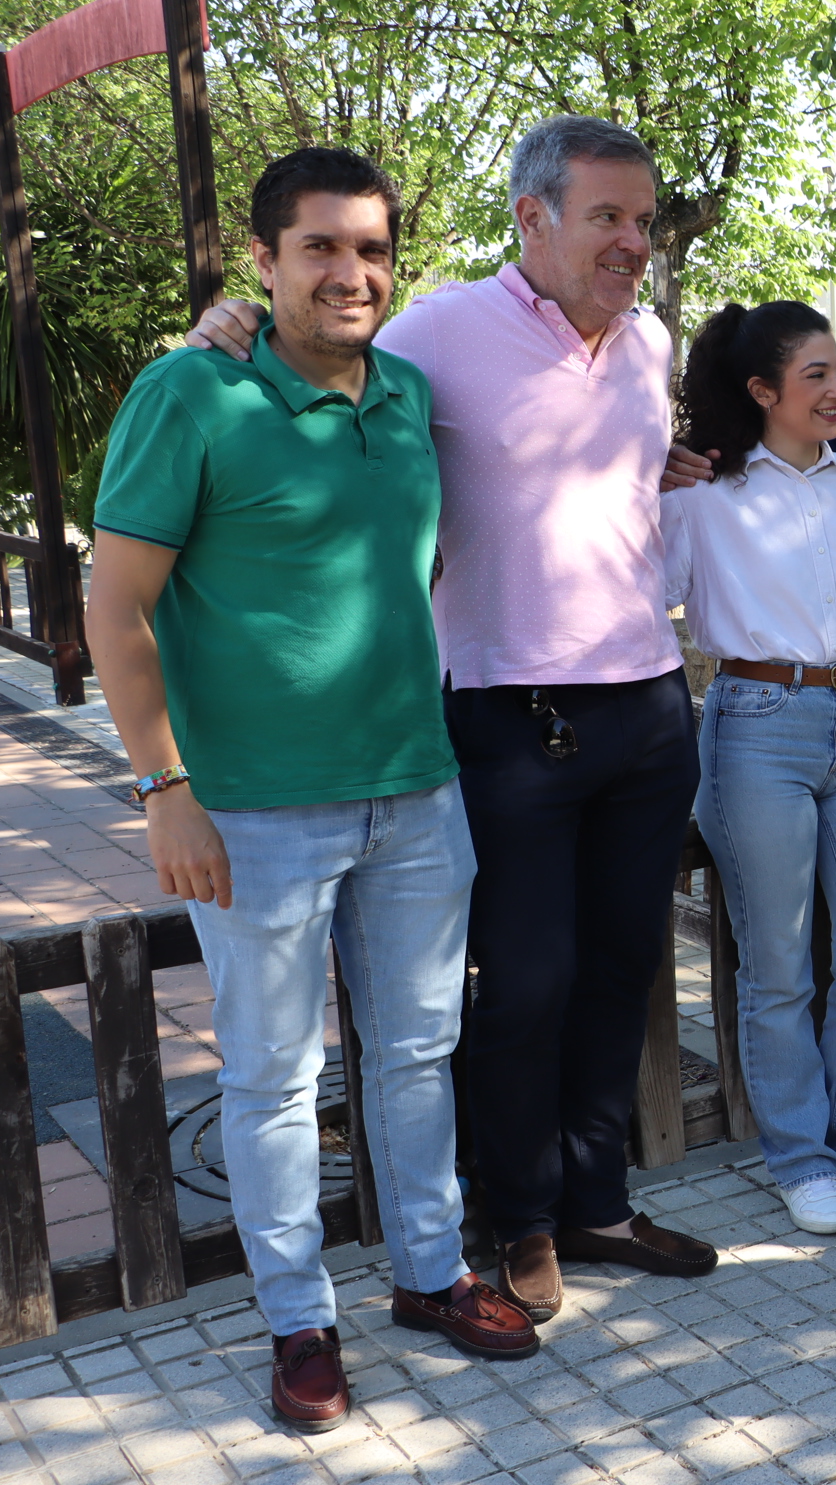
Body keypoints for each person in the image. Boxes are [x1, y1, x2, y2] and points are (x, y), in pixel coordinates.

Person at [186, 116, 719, 1321]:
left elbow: (615, 480)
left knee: (621, 967)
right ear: (533, 219)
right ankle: (516, 1216)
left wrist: (674, 462)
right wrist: (227, 329)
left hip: (644, 704)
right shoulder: (435, 331)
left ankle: (596, 1200)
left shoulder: (648, 343)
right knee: (523, 982)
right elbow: (312, 365)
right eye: (608, 217)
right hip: (505, 716)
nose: (634, 240)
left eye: (643, 218)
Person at [88, 148, 538, 1435]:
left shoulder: (406, 391)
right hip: (254, 810)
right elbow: (116, 605)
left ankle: (430, 1272)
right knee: (276, 1079)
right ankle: (297, 1319)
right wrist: (163, 785)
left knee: (415, 1052)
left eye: (372, 249)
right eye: (321, 248)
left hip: (415, 789)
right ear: (269, 261)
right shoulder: (193, 393)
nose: (352, 272)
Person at [664, 302, 836, 1235]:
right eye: (815, 374)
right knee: (778, 964)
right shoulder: (701, 495)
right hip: (755, 730)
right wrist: (640, 484)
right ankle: (801, 1157)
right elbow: (639, 595)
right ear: (762, 391)